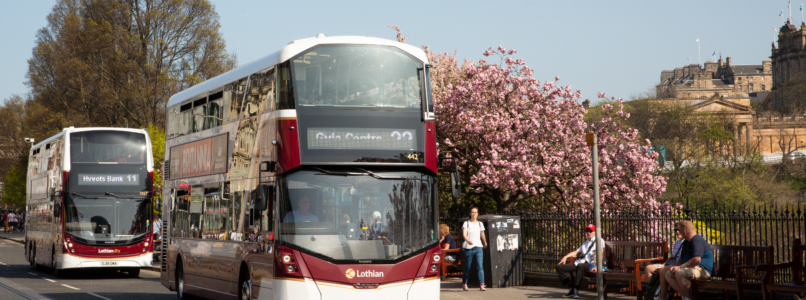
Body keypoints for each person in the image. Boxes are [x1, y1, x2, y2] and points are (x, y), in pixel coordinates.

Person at [663, 220, 713, 300]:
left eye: (679, 230)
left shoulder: (696, 240)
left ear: (684, 231)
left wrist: (679, 267)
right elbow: (680, 260)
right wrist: (672, 266)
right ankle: (686, 296)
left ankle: (687, 297)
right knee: (668, 274)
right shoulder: (686, 242)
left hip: (703, 270)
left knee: (679, 272)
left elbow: (697, 260)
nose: (678, 232)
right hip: (692, 268)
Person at [557, 224, 606, 299]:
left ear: (595, 232)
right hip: (580, 262)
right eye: (587, 231)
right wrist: (566, 256)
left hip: (590, 264)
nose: (589, 233)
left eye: (591, 231)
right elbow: (576, 252)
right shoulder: (586, 242)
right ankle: (571, 288)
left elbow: (603, 254)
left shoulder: (600, 240)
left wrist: (597, 266)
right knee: (559, 267)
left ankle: (576, 289)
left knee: (580, 265)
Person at [651, 227, 685, 300]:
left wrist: (664, 267)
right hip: (670, 263)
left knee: (662, 270)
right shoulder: (676, 242)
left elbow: (681, 261)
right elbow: (671, 257)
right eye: (675, 230)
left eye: (679, 230)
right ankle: (657, 290)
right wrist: (663, 265)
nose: (677, 232)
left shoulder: (687, 243)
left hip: (677, 265)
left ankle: (662, 296)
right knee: (648, 268)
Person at [461, 207, 488, 292]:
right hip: (468, 248)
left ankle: (482, 284)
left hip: (478, 247)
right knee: (468, 267)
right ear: (470, 214)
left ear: (477, 214)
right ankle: (464, 283)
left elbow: (482, 234)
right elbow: (464, 234)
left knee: (480, 266)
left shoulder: (480, 224)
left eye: (475, 212)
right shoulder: (466, 223)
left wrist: (485, 242)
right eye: (472, 212)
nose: (474, 214)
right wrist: (467, 240)